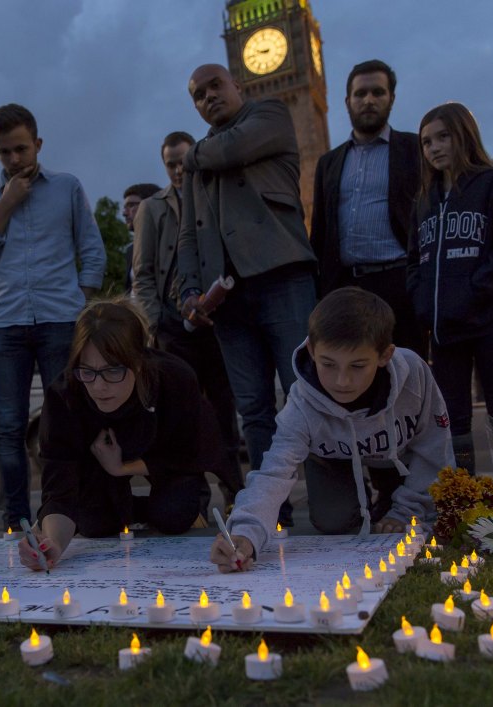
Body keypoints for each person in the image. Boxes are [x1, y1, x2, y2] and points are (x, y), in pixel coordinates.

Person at [210, 288, 454, 573]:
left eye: (358, 366)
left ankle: (389, 498)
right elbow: (273, 474)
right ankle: (363, 500)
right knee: (332, 519)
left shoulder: (413, 373)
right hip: (334, 457)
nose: (342, 381)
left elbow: (434, 447)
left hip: (399, 455)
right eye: (328, 364)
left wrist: (408, 510)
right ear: (312, 351)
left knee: (407, 519)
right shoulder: (301, 403)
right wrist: (246, 534)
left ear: (385, 355)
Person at [177, 63, 317, 526]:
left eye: (216, 86)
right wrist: (192, 290)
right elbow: (189, 235)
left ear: (239, 85)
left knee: (308, 393)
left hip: (282, 278)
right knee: (253, 409)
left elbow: (231, 148)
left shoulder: (271, 114)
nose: (209, 97)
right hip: (228, 299)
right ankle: (272, 511)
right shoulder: (198, 163)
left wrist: (193, 155)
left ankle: (332, 502)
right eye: (198, 95)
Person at [0, 103, 106, 528]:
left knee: (67, 419)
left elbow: (92, 250)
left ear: (38, 144)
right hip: (6, 324)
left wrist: (79, 301)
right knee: (6, 428)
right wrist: (5, 206)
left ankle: (68, 510)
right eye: (3, 152)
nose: (13, 159)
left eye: (21, 149)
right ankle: (17, 520)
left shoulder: (66, 187)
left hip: (60, 319)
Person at [19, 300, 204, 571]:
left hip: (164, 463)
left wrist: (122, 467)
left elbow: (188, 454)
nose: (99, 386)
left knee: (175, 514)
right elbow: (60, 486)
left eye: (113, 370)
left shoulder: (174, 379)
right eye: (88, 371)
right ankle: (125, 508)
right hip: (96, 472)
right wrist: (53, 544)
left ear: (138, 362)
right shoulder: (65, 394)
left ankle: (153, 508)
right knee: (94, 524)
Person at [408, 103, 493, 471]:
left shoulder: (491, 183)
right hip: (445, 328)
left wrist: (473, 292)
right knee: (453, 418)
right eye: (427, 141)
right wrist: (423, 302)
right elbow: (414, 260)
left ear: (463, 135)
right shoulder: (424, 199)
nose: (434, 147)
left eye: (443, 136)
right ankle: (465, 501)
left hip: (490, 320)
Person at [132, 130, 242, 502]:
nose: (179, 170)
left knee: (224, 413)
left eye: (184, 161)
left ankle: (234, 493)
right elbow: (143, 274)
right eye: (171, 164)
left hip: (216, 322)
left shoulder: (215, 196)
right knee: (181, 416)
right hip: (171, 328)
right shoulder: (152, 208)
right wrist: (153, 324)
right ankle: (192, 497)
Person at [311, 59, 425, 357]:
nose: (369, 100)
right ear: (347, 101)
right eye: (360, 94)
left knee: (407, 374)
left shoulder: (414, 149)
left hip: (400, 282)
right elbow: (321, 232)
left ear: (391, 99)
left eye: (378, 92)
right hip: (346, 288)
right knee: (353, 379)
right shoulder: (328, 163)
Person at [121, 183, 161, 292]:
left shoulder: (167, 247)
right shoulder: (130, 250)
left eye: (132, 205)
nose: (124, 213)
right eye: (125, 207)